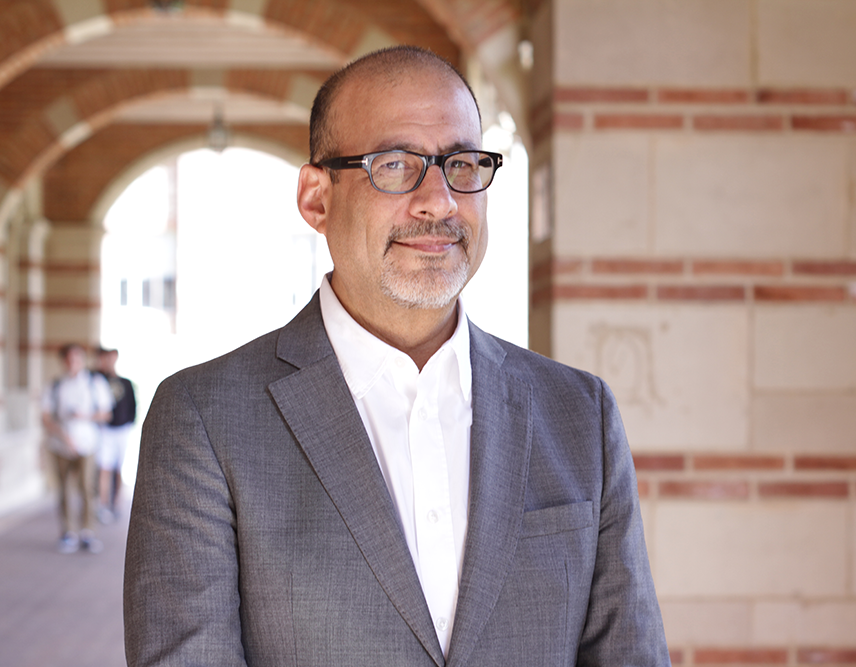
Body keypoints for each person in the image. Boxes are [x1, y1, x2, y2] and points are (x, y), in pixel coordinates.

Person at [124, 46, 669, 666]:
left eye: (462, 164)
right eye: (395, 165)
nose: (439, 201)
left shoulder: (580, 412)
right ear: (316, 198)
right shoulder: (202, 419)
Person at [41, 343, 113, 554]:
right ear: (64, 361)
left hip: (87, 444)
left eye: (77, 359)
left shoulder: (94, 383)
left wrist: (86, 417)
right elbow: (46, 417)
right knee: (63, 489)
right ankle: (68, 532)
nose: (73, 363)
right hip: (60, 444)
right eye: (69, 359)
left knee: (87, 488)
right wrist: (64, 436)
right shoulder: (55, 385)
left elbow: (106, 414)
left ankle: (88, 532)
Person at [95, 347, 136, 524]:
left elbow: (132, 405)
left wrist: (128, 422)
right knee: (104, 467)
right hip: (104, 430)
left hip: (122, 429)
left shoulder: (126, 383)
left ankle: (116, 502)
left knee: (118, 467)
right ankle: (103, 504)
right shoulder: (97, 379)